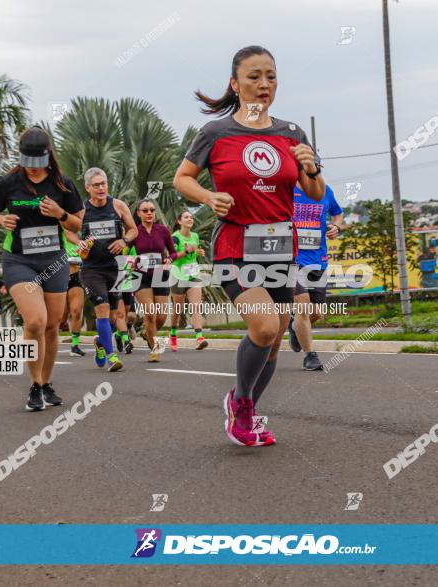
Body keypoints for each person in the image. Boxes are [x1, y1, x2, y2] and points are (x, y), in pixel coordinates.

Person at [173, 46, 324, 446]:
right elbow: (182, 178)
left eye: (271, 76)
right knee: (265, 324)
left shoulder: (291, 134)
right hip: (235, 245)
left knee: (273, 341)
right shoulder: (216, 133)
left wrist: (311, 167)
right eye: (254, 76)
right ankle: (240, 402)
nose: (264, 84)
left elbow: (315, 191)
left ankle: (245, 408)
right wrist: (208, 198)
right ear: (235, 83)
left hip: (281, 248)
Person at [0, 127, 83, 412]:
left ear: (48, 157)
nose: (33, 171)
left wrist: (60, 214)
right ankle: (34, 384)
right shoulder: (10, 181)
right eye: (29, 164)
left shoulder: (63, 184)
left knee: (52, 325)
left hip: (54, 260)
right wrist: (2, 221)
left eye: (39, 165)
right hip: (19, 261)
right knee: (36, 321)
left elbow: (78, 223)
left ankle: (47, 383)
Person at [75, 167, 137, 371]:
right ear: (87, 188)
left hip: (114, 267)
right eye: (96, 185)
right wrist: (79, 242)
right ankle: (112, 357)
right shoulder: (82, 210)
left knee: (113, 316)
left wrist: (124, 240)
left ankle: (101, 343)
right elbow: (67, 231)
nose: (101, 188)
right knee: (102, 310)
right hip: (92, 269)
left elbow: (133, 229)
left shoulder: (118, 205)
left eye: (103, 183)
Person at [287, 183, 343, 370]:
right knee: (302, 303)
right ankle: (310, 356)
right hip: (290, 258)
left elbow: (338, 212)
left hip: (317, 259)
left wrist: (336, 226)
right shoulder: (285, 188)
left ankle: (295, 328)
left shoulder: (325, 190)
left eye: (316, 167)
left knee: (317, 312)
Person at [129, 200, 176, 363]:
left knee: (161, 317)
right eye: (145, 210)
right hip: (141, 276)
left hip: (160, 275)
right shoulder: (134, 232)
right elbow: (124, 251)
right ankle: (155, 350)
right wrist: (130, 259)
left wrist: (169, 259)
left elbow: (173, 253)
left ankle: (147, 333)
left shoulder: (163, 231)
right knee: (150, 314)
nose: (149, 213)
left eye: (152, 210)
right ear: (139, 213)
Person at [168, 210, 207, 351]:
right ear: (180, 221)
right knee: (178, 310)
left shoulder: (195, 236)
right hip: (178, 276)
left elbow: (193, 254)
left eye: (191, 217)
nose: (190, 219)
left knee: (196, 306)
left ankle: (199, 338)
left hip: (193, 273)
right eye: (186, 217)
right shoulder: (175, 237)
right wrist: (188, 251)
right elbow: (172, 256)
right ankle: (172, 333)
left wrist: (198, 253)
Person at [62, 234, 86, 357]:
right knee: (61, 317)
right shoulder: (57, 237)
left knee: (76, 311)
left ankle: (75, 346)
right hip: (59, 279)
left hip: (76, 278)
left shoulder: (80, 240)